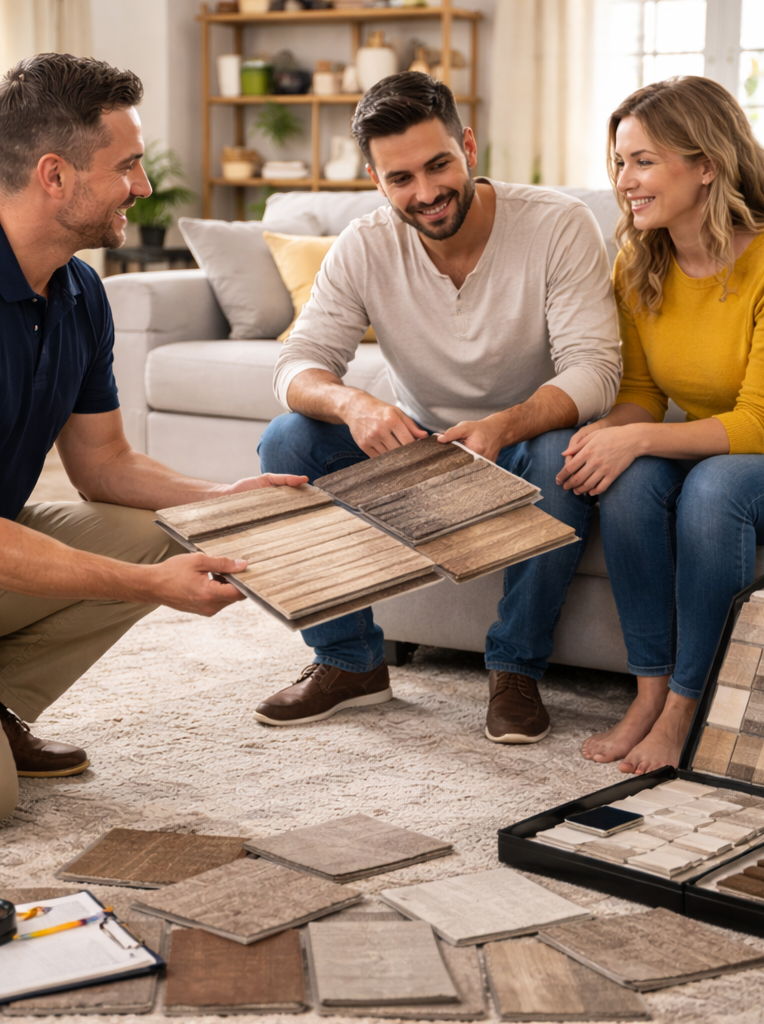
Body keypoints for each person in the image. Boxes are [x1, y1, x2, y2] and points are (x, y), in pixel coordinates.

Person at [0, 53, 304, 841]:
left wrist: (222, 501)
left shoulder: (79, 293)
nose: (142, 187)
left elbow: (103, 467)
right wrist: (153, 591)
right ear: (54, 175)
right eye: (128, 166)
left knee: (157, 533)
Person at [256, 72, 622, 742]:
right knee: (288, 440)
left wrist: (503, 424)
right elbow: (293, 365)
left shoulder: (557, 224)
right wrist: (354, 405)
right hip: (419, 453)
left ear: (469, 147)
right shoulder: (364, 245)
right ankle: (348, 663)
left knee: (557, 448)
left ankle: (515, 671)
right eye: (401, 179)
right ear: (376, 180)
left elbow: (596, 371)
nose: (425, 194)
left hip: (525, 445)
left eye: (438, 165)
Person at [562, 76, 764, 774]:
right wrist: (609, 438)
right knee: (629, 478)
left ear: (706, 163)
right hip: (733, 452)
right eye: (620, 162)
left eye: (644, 160)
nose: (625, 180)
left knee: (715, 487)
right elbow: (644, 396)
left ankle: (690, 707)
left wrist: (639, 436)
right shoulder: (640, 261)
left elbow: (762, 425)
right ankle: (649, 694)